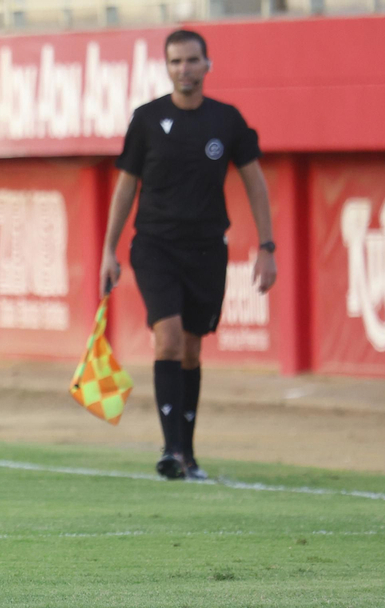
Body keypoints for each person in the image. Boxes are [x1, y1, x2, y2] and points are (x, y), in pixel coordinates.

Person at [101, 28, 277, 481]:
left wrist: (266, 247)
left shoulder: (227, 120)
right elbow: (125, 187)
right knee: (169, 339)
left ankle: (188, 452)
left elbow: (255, 183)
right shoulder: (146, 119)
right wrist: (108, 250)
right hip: (154, 246)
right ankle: (172, 451)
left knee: (193, 351)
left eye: (192, 60)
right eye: (176, 61)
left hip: (207, 249)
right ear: (166, 67)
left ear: (207, 64)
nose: (184, 69)